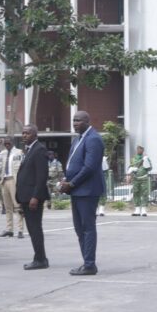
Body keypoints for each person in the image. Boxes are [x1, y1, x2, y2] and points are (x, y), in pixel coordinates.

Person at [58, 111, 105, 275]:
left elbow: (89, 168)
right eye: (73, 120)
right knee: (79, 228)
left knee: (87, 227)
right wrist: (65, 179)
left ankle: (90, 264)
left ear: (87, 121)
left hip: (87, 191)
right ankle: (86, 261)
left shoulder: (93, 139)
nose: (75, 123)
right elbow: (73, 164)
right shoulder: (78, 139)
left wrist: (71, 183)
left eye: (78, 120)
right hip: (76, 191)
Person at [15, 125, 50, 270]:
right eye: (23, 133)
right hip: (25, 197)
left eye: (27, 133)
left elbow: (41, 176)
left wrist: (35, 197)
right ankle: (40, 257)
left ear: (35, 135)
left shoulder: (39, 150)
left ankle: (40, 259)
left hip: (32, 198)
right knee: (32, 229)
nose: (24, 135)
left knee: (35, 229)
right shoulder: (29, 150)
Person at [0, 136, 25, 239]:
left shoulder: (19, 152)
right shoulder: (2, 153)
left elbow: (23, 166)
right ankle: (9, 229)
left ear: (13, 142)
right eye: (5, 144)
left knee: (17, 206)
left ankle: (20, 230)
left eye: (8, 143)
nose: (7, 145)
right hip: (4, 180)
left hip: (14, 180)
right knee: (7, 207)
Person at [127, 145, 153, 216]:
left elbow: (150, 168)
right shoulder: (133, 158)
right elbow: (130, 167)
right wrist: (131, 171)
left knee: (144, 194)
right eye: (138, 149)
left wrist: (146, 161)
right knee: (136, 193)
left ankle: (144, 210)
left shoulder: (146, 158)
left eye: (140, 149)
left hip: (144, 178)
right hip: (136, 179)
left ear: (143, 150)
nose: (139, 150)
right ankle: (137, 210)